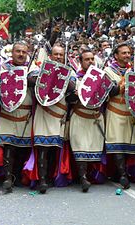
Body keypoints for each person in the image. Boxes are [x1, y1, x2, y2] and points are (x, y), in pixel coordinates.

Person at [33, 43, 76, 194]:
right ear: (50, 56)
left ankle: (50, 177)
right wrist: (47, 74)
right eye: (55, 54)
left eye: (61, 55)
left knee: (53, 148)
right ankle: (42, 180)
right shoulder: (40, 69)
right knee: (42, 147)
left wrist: (62, 75)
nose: (58, 57)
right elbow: (31, 80)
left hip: (58, 115)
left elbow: (73, 92)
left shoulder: (71, 73)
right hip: (43, 112)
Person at [0, 41, 39, 193]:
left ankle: (16, 175)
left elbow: (37, 83)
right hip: (8, 111)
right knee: (9, 145)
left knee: (23, 147)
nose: (21, 54)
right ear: (12, 53)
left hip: (26, 113)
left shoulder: (32, 68)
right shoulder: (4, 68)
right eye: (18, 51)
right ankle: (7, 178)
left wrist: (24, 76)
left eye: (24, 52)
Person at [104, 43, 135, 189]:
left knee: (128, 143)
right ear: (116, 55)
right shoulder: (108, 71)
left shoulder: (133, 70)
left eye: (128, 53)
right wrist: (124, 85)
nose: (127, 56)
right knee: (116, 142)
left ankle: (123, 172)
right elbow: (109, 91)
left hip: (130, 111)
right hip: (115, 110)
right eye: (124, 53)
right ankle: (122, 174)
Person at [68, 50, 105, 192]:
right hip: (80, 116)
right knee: (80, 148)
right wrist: (76, 95)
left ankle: (90, 175)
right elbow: (67, 99)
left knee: (93, 148)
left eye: (92, 59)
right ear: (81, 62)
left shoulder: (101, 78)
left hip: (95, 117)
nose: (90, 62)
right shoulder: (75, 78)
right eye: (87, 59)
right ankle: (83, 178)